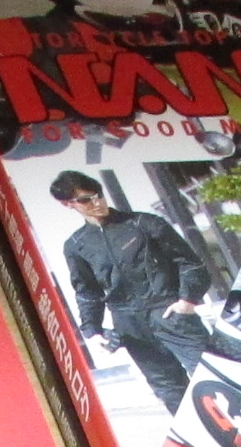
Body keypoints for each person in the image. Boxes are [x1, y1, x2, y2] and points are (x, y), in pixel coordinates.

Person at [52, 169, 213, 416]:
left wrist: (187, 300)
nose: (97, 202)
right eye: (86, 200)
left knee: (211, 376)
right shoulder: (76, 245)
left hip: (170, 312)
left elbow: (190, 263)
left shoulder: (144, 223)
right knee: (169, 391)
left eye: (98, 195)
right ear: (67, 204)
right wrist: (92, 331)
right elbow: (87, 291)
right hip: (130, 326)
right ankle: (199, 437)